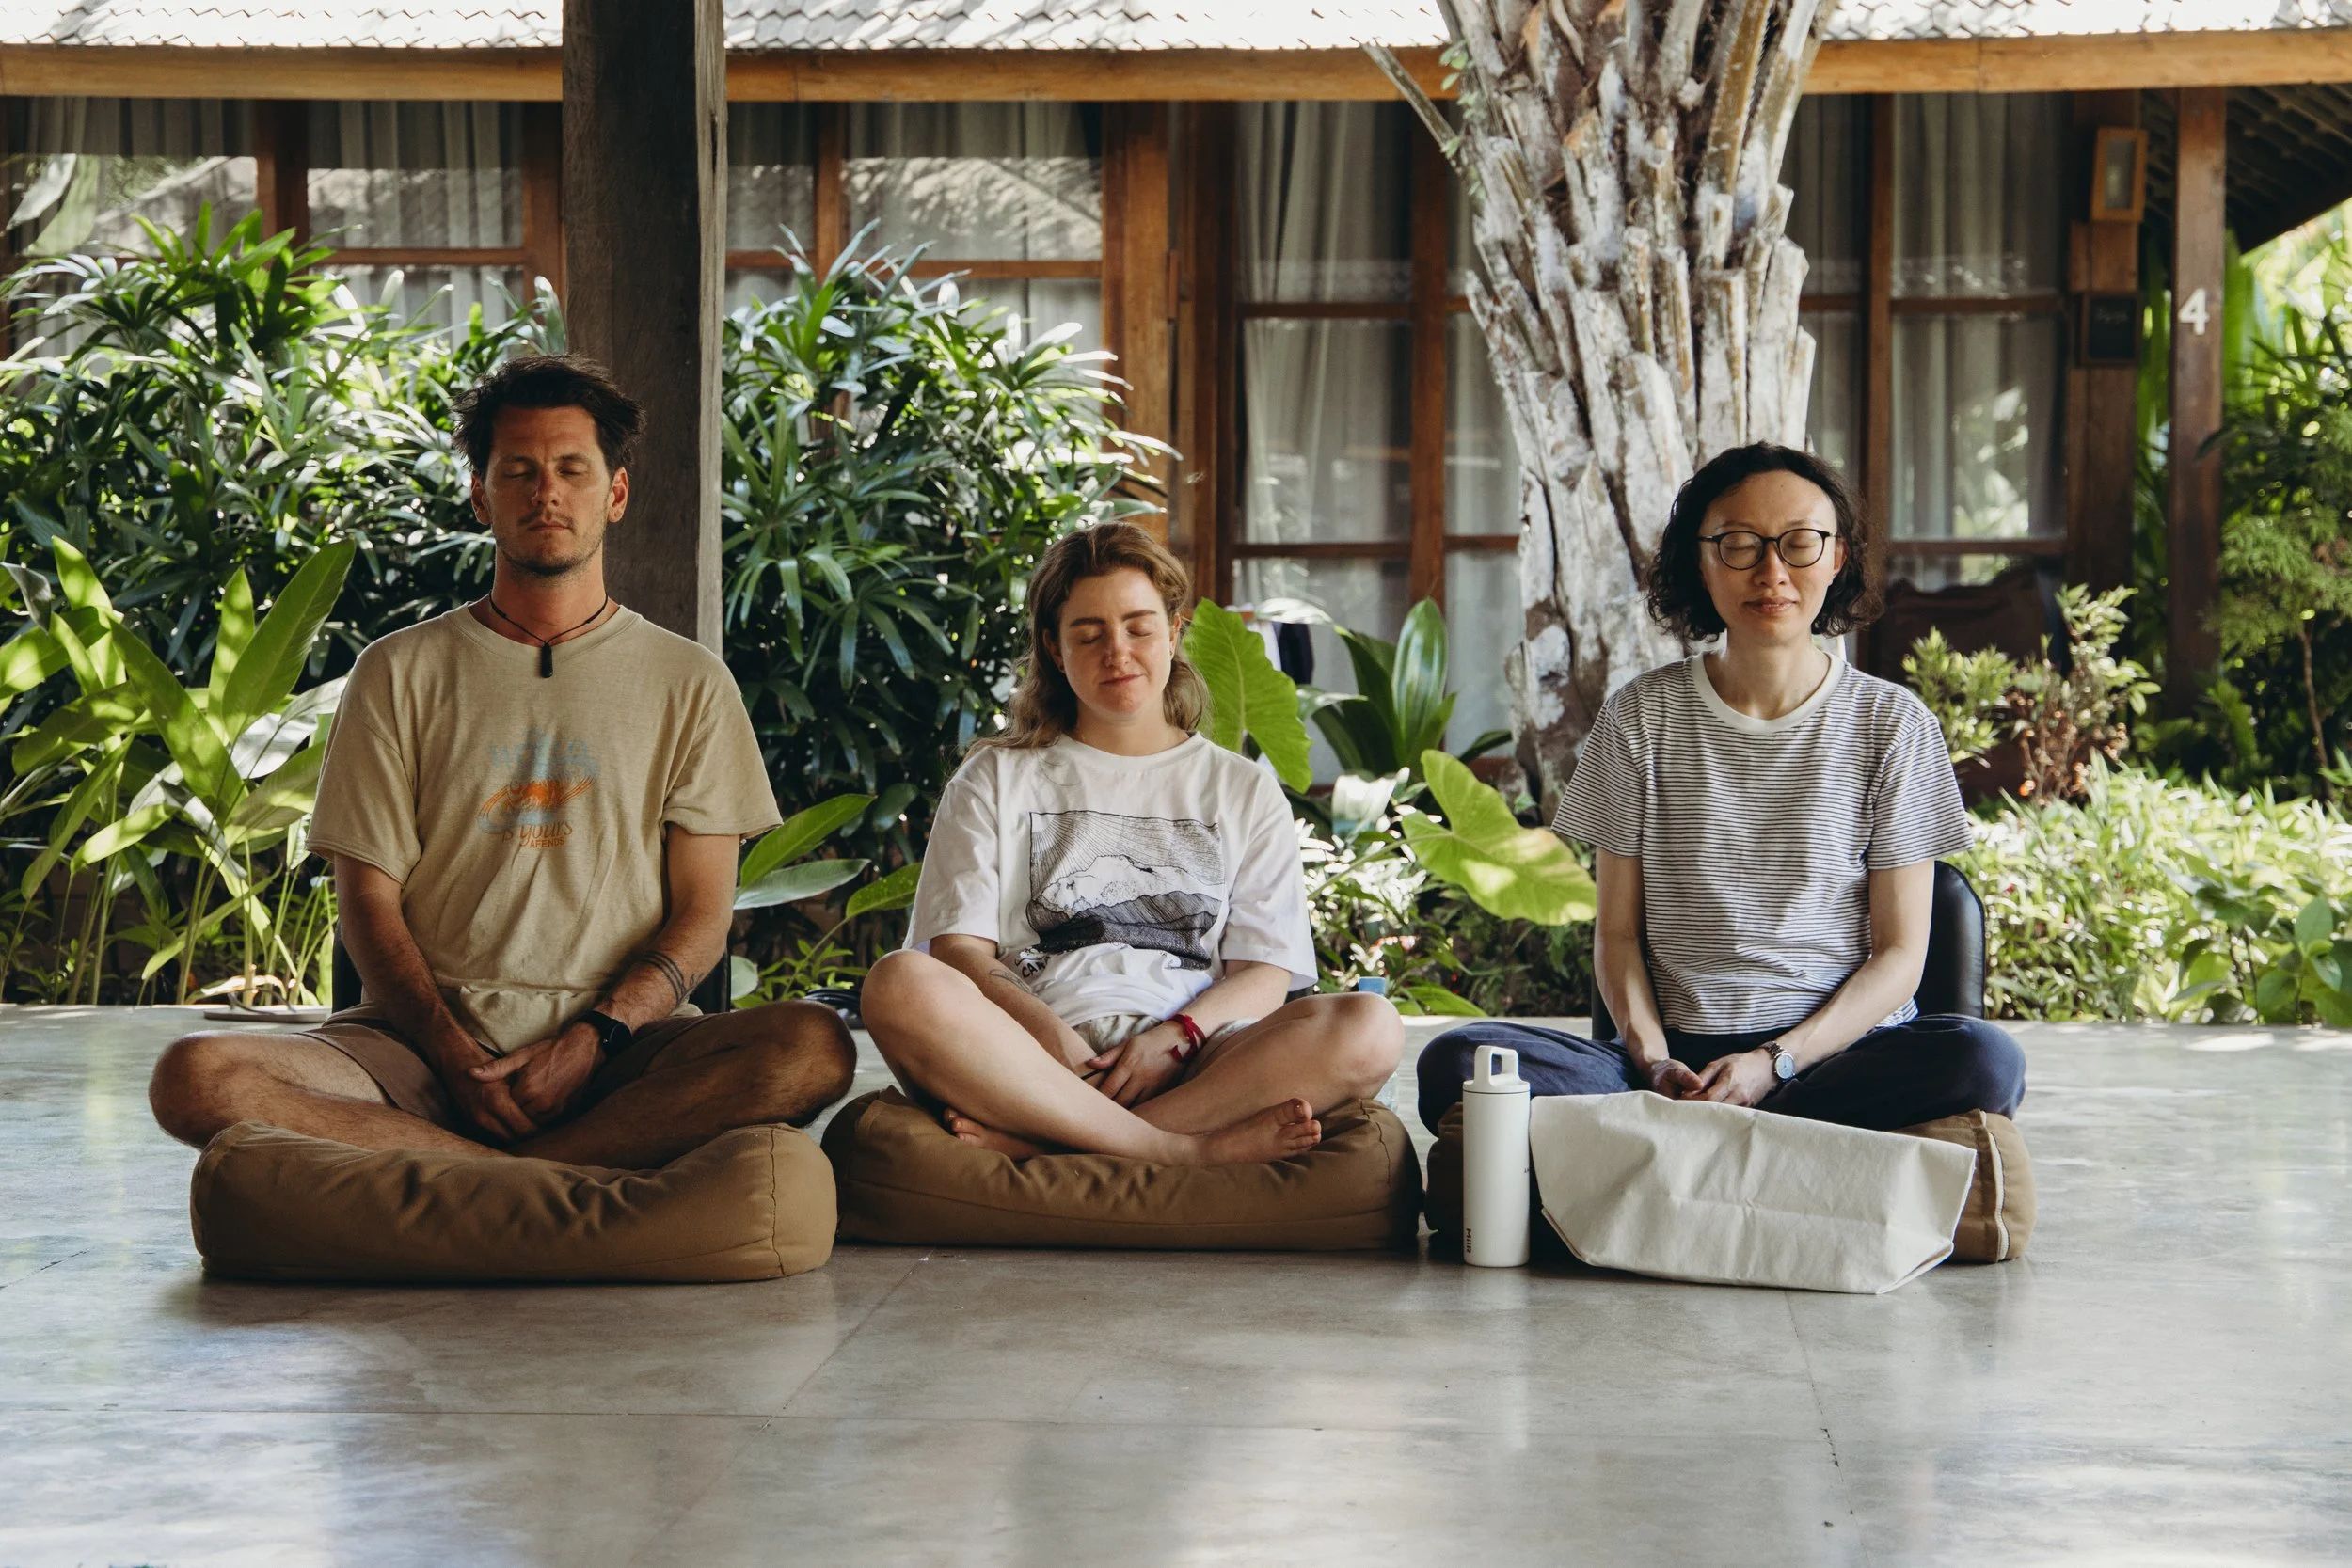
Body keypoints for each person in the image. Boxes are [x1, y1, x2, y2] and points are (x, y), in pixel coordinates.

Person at [150, 356, 855, 1167]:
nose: (544, 492)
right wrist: (452, 1053)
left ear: (614, 495)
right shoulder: (398, 671)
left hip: (624, 1051)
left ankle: (480, 1171)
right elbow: (369, 906)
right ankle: (545, 1176)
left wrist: (594, 1037)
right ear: (481, 494)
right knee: (194, 1076)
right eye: (517, 470)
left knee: (815, 1046)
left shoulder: (689, 681)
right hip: (417, 1052)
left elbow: (702, 914)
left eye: (571, 470)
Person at [1419, 443, 2024, 1136]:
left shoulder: (1894, 723)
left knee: (1985, 1059)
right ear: (1700, 563)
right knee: (1457, 1060)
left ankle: (1711, 1134)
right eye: (1739, 544)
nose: (1772, 571)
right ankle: (1726, 1128)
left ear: (1838, 558)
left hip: (1832, 1058)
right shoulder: (1640, 715)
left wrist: (1772, 1064)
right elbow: (1617, 935)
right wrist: (1652, 1064)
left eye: (1799, 544)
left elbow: (1899, 956)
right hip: (1679, 1062)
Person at [861, 522, 1403, 1165]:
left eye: (1139, 627)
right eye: (1089, 634)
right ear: (1054, 651)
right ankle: (1175, 1152)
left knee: (1371, 1026)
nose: (1117, 651)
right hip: (1027, 1055)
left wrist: (1178, 1035)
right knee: (897, 982)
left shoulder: (1242, 787)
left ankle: (1053, 1145)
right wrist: (1048, 1036)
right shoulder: (994, 776)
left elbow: (1263, 972)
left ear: (1174, 632)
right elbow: (959, 953)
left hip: (1199, 1058)